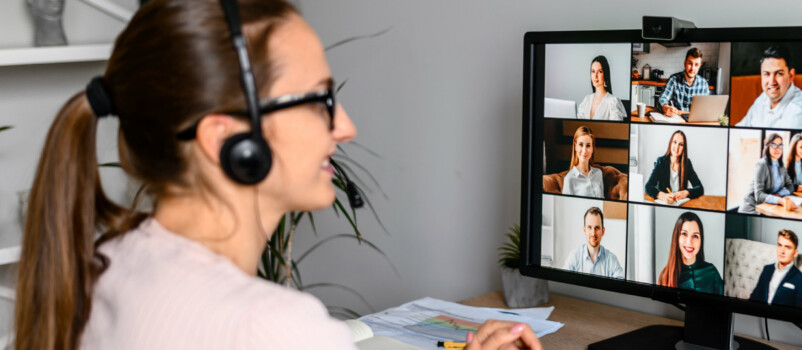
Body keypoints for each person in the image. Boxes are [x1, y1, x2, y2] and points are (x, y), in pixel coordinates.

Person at [14, 1, 541, 349]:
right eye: (321, 101)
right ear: (229, 142)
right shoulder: (271, 329)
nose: (347, 127)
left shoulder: (108, 263)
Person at [736, 46, 802, 130]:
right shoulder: (763, 98)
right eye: (767, 74)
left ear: (791, 76)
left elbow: (773, 143)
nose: (772, 82)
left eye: (779, 73)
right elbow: (738, 129)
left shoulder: (798, 111)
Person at [657, 212, 723, 295]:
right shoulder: (665, 276)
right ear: (677, 237)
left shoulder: (712, 272)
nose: (689, 242)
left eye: (695, 236)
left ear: (701, 240)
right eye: (684, 234)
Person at [749, 230, 802, 309]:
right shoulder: (767, 269)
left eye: (787, 247)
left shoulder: (801, 279)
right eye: (780, 245)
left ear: (795, 253)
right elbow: (754, 298)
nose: (782, 251)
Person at [740, 133, 798, 214]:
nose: (777, 149)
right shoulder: (761, 165)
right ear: (767, 147)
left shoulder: (781, 165)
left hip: (768, 206)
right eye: (774, 145)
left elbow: (790, 186)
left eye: (780, 146)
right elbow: (759, 195)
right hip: (753, 208)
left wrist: (778, 194)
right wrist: (780, 200)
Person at [562, 207, 624, 278]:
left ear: (603, 231)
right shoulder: (574, 256)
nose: (593, 233)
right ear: (584, 230)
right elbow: (563, 282)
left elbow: (620, 286)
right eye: (589, 227)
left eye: (597, 228)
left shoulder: (612, 260)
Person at [644, 130, 704, 204]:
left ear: (684, 148)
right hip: (665, 204)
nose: (677, 147)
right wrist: (662, 196)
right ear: (670, 143)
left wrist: (686, 192)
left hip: (681, 204)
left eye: (681, 144)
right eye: (675, 142)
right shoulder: (661, 162)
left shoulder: (687, 163)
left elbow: (700, 188)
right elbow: (648, 187)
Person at [658, 48, 711, 120]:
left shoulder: (704, 84)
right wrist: (666, 108)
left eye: (696, 65)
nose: (692, 68)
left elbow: (707, 108)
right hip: (676, 121)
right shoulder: (673, 79)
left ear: (700, 66)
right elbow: (662, 99)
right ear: (685, 63)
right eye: (690, 63)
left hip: (695, 122)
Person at [576, 55, 626, 121]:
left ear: (605, 74)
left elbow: (616, 128)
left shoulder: (613, 102)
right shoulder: (586, 100)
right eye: (593, 71)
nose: (595, 76)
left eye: (600, 72)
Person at [561, 125, 604, 198]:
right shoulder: (569, 179)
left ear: (592, 148)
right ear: (575, 147)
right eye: (581, 145)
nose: (584, 151)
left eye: (588, 145)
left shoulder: (598, 173)